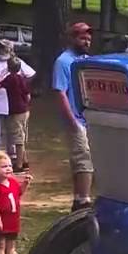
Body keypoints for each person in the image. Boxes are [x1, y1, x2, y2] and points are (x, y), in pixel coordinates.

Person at [53, 21, 94, 211]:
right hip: (76, 119)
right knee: (83, 157)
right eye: (81, 37)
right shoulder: (63, 61)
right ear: (72, 39)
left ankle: (80, 199)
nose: (86, 41)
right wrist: (72, 121)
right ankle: (82, 201)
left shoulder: (87, 60)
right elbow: (60, 92)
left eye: (88, 38)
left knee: (87, 158)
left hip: (90, 119)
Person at [2, 57, 33, 172]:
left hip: (16, 111)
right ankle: (25, 161)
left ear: (9, 67)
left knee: (18, 138)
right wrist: (25, 104)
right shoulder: (21, 79)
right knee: (23, 135)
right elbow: (28, 95)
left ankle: (19, 165)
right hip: (25, 110)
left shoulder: (9, 78)